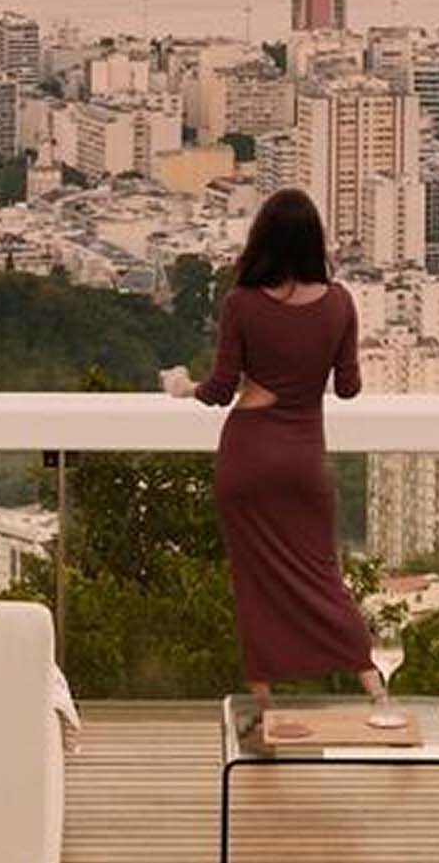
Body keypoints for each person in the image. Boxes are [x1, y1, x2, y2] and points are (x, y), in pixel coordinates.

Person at [161, 189, 382, 726]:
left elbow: (218, 389)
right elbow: (349, 389)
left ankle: (265, 705)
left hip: (248, 453)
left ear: (262, 239)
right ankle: (372, 682)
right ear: (314, 242)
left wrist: (181, 387)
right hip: (304, 459)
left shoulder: (242, 302)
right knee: (322, 573)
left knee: (253, 579)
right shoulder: (340, 303)